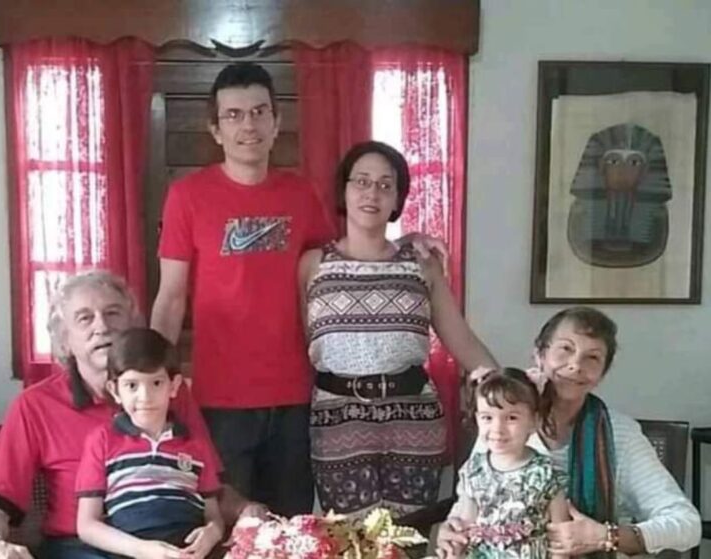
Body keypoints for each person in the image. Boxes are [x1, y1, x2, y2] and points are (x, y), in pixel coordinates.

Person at [151, 63, 445, 517]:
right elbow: (170, 298)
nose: (248, 124)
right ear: (215, 128)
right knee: (231, 531)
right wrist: (153, 380)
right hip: (220, 400)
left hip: (297, 396)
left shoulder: (301, 194)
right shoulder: (187, 196)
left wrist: (403, 241)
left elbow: (348, 258)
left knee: (292, 530)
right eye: (234, 115)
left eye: (259, 111)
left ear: (275, 122)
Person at [0, 271, 256, 559]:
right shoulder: (35, 405)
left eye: (113, 313)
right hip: (82, 548)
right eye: (84, 318)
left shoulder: (171, 395)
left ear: (133, 327)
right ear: (65, 340)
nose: (102, 327)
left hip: (174, 541)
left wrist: (248, 511)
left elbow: (212, 488)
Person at [299, 141, 497, 519]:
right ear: (344, 190)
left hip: (414, 418)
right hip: (336, 419)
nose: (372, 193)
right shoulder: (312, 265)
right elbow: (303, 344)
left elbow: (461, 341)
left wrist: (510, 390)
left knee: (409, 537)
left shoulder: (421, 265)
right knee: (352, 543)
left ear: (398, 200)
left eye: (385, 185)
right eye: (361, 181)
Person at [437, 307, 701, 556]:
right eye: (565, 349)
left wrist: (607, 537)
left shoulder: (621, 435)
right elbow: (470, 502)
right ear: (539, 354)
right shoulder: (501, 422)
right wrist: (453, 529)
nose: (576, 365)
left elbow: (687, 525)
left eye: (592, 357)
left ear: (602, 373)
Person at [76, 328, 224, 558]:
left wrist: (213, 532)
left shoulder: (195, 443)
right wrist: (142, 550)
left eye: (156, 383)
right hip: (130, 550)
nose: (145, 397)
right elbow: (86, 526)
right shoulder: (102, 441)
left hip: (188, 551)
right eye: (132, 386)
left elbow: (213, 514)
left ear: (174, 386)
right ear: (115, 390)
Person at [435, 367, 569, 559]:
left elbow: (561, 536)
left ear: (534, 421)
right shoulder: (474, 469)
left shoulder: (547, 473)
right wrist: (454, 549)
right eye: (487, 418)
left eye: (511, 418)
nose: (498, 429)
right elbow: (464, 524)